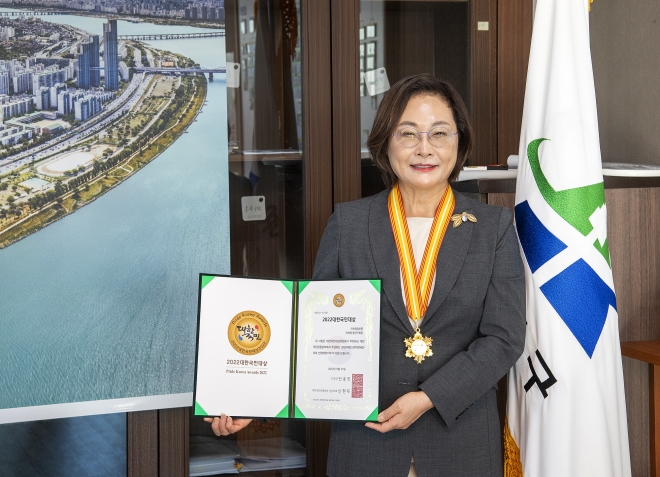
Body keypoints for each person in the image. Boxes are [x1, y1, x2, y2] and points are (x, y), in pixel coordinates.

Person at [207, 74, 526, 477]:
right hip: (365, 446)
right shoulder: (350, 223)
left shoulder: (493, 227)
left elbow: (504, 337)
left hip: (460, 446)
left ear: (459, 142)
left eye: (439, 133)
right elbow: (314, 332)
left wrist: (428, 397)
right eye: (408, 133)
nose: (424, 148)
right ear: (385, 143)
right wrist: (254, 398)